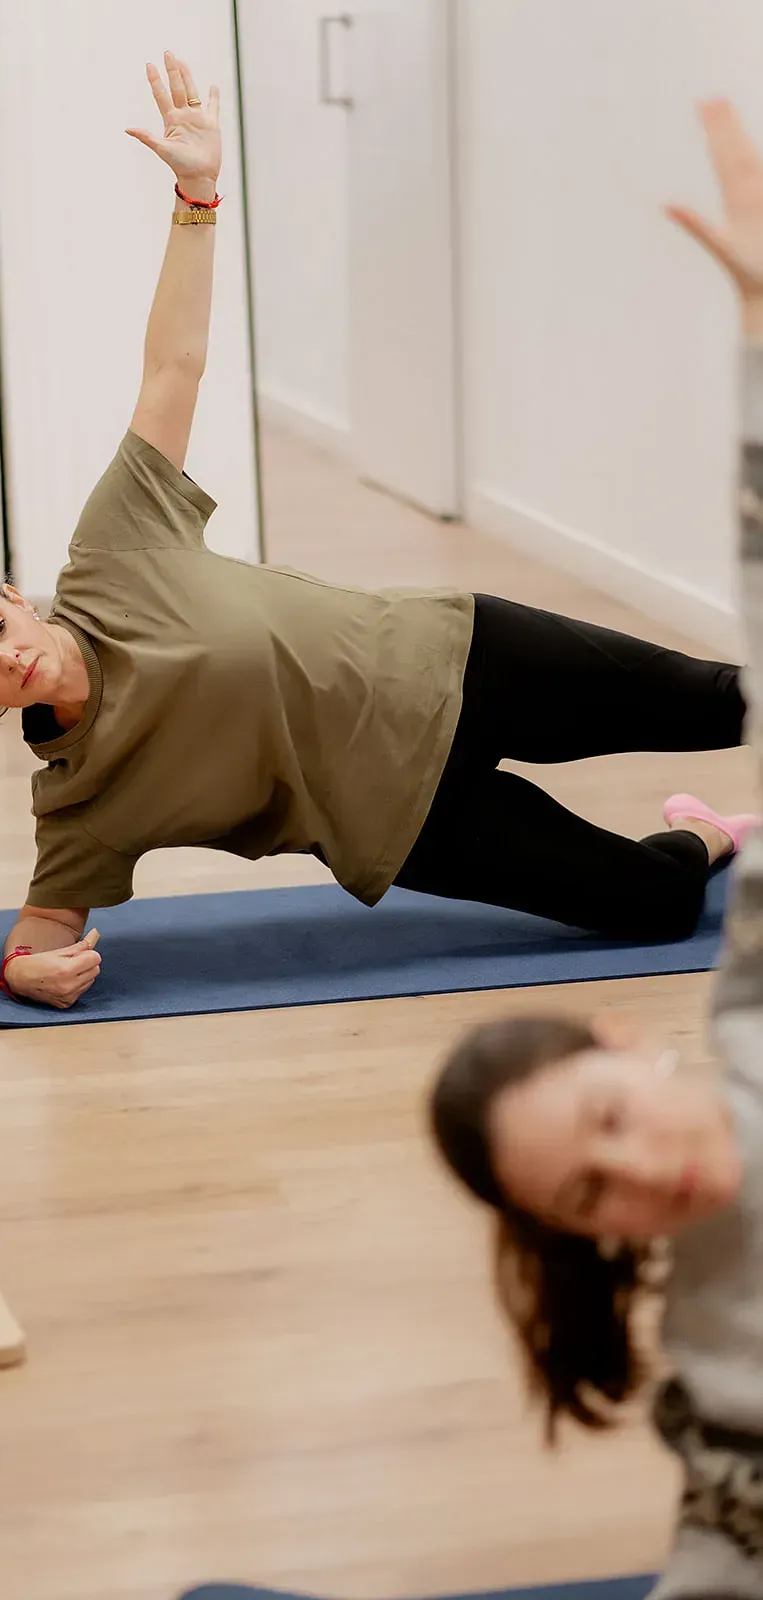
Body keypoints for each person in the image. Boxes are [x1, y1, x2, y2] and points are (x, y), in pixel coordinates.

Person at [0, 55, 751, 1013]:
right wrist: (24, 969)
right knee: (652, 906)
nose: (2, 661)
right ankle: (709, 833)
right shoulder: (81, 801)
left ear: (16, 599)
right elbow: (44, 920)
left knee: (729, 706)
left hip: (457, 659)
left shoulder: (112, 550)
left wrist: (197, 197)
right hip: (411, 823)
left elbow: (173, 365)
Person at [430, 99, 763, 1597]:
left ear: (629, 1045)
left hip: (453, 649)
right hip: (403, 821)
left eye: (606, 1123)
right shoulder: (712, 1324)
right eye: (590, 1198)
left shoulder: (752, 1010)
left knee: (696, 711)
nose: (647, 1178)